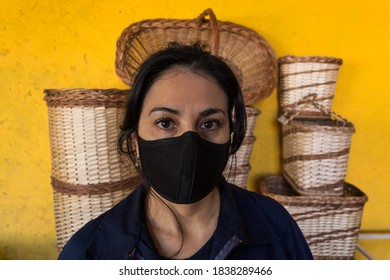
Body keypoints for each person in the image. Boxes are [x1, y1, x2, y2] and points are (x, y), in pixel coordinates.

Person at [58, 42, 313, 260]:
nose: (189, 141)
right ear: (136, 141)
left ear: (231, 137)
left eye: (209, 123)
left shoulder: (275, 228)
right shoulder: (88, 253)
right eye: (166, 123)